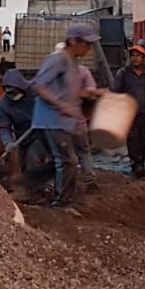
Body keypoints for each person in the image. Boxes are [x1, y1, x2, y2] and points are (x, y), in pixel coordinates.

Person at [29, 22, 99, 206]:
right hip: (50, 120)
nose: (88, 48)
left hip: (64, 121)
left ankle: (34, 187)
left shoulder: (73, 64)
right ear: (73, 41)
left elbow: (69, 92)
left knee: (65, 160)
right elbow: (38, 85)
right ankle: (60, 202)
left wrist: (91, 94)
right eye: (86, 44)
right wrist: (60, 105)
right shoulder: (57, 59)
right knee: (67, 160)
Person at [111, 41, 145, 178]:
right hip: (128, 114)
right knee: (132, 139)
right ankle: (136, 165)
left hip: (144, 112)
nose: (135, 58)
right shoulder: (123, 73)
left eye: (138, 56)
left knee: (143, 139)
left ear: (144, 58)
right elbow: (116, 92)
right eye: (132, 55)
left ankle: (141, 163)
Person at [74, 59, 101, 192]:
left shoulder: (53, 73)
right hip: (78, 121)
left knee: (60, 156)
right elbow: (92, 94)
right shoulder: (82, 71)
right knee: (83, 151)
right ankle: (90, 182)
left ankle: (60, 186)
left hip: (59, 123)